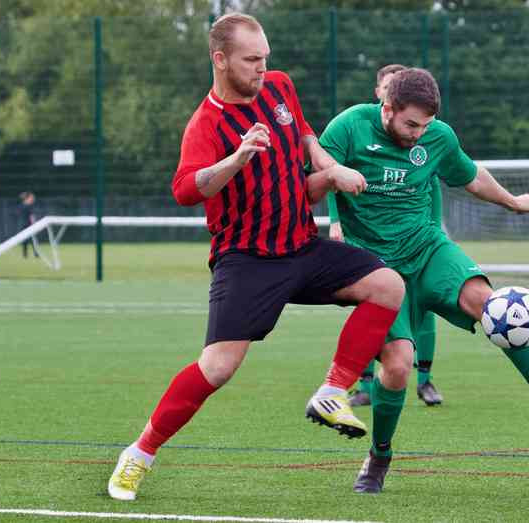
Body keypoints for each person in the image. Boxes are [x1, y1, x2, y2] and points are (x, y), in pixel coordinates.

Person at [107, 13, 405, 502]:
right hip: (247, 259)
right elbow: (185, 190)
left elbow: (306, 137)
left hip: (302, 246)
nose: (262, 68)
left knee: (388, 285)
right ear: (220, 60)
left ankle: (333, 392)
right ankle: (139, 454)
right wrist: (238, 157)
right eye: (251, 60)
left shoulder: (279, 88)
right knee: (218, 367)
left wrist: (330, 170)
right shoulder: (206, 124)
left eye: (265, 57)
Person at [319, 68, 529, 494]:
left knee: (494, 306)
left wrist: (511, 201)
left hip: (427, 247)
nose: (418, 134)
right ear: (388, 108)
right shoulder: (348, 127)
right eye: (411, 124)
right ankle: (380, 454)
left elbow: (470, 176)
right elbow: (313, 174)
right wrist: (330, 184)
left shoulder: (437, 137)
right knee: (395, 369)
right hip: (373, 266)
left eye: (425, 126)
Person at [329, 64, 445, 408]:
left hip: (414, 237)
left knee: (423, 307)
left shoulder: (420, 136)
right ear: (381, 94)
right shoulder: (357, 129)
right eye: (384, 85)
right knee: (373, 306)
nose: (387, 89)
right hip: (368, 238)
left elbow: (432, 183)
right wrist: (336, 220)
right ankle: (364, 383)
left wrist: (434, 227)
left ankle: (425, 381)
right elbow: (333, 177)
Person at [17, 191, 38, 258]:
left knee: (25, 240)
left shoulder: (21, 205)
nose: (33, 199)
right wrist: (34, 224)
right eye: (32, 198)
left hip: (23, 224)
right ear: (28, 198)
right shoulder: (29, 206)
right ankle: (36, 253)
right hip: (29, 224)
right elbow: (31, 216)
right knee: (33, 239)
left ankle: (25, 254)